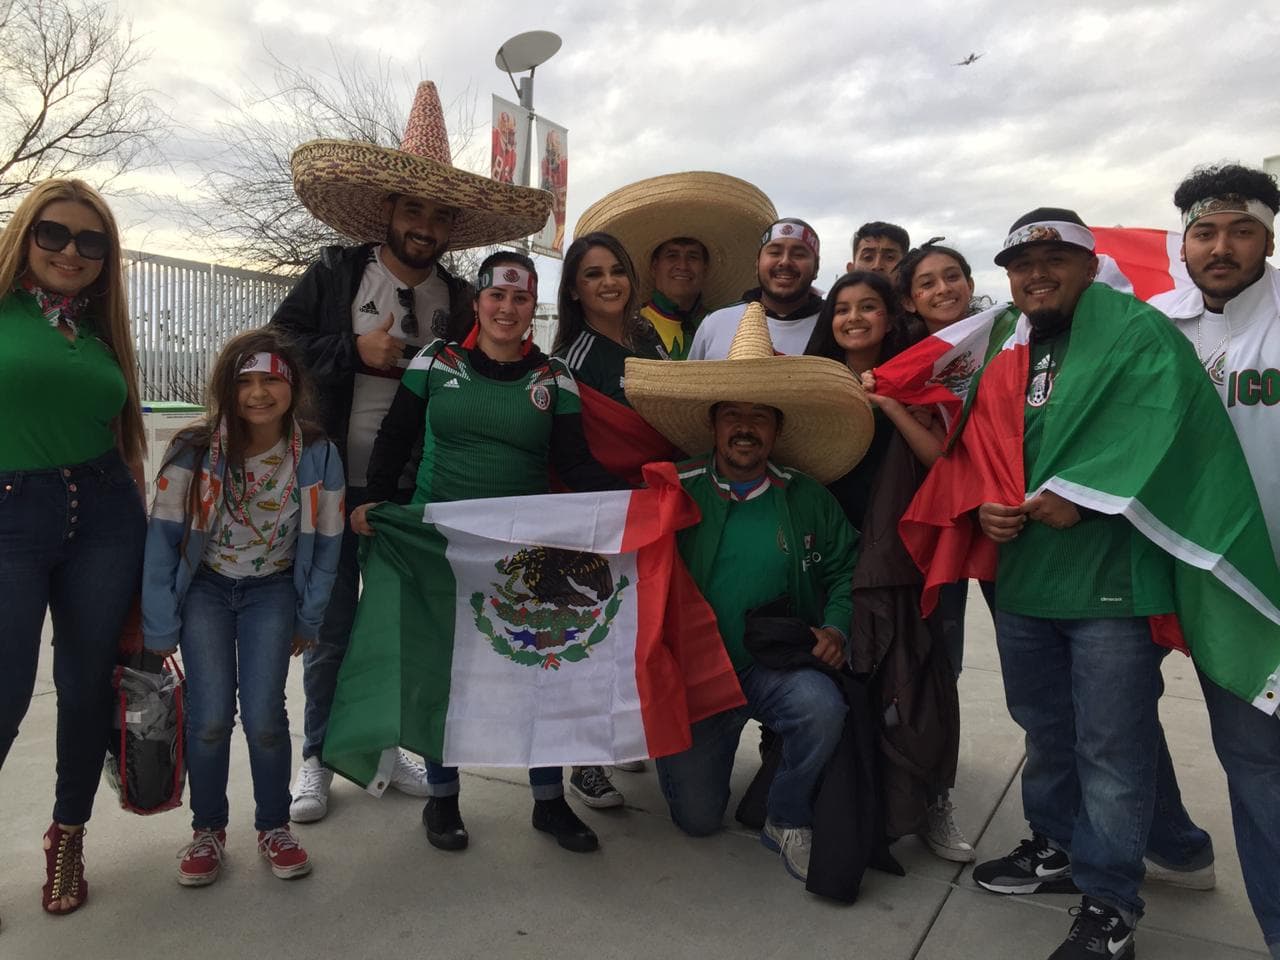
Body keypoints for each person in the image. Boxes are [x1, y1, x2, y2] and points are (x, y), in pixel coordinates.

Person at [887, 207, 1267, 960]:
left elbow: (1169, 426)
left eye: (1054, 260)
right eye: (1022, 266)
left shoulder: (1139, 332)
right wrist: (984, 503)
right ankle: (1056, 845)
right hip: (1027, 579)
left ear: (1090, 267)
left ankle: (1111, 902)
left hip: (1112, 585)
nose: (1036, 275)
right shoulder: (1005, 340)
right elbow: (980, 443)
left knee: (1111, 748)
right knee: (1045, 726)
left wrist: (1088, 497)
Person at [274, 80, 552, 822]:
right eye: (413, 210)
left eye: (439, 214)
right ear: (388, 211)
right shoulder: (337, 274)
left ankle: (385, 744)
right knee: (332, 626)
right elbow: (275, 348)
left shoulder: (459, 301)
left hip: (412, 489)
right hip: (333, 479)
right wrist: (350, 349)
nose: (425, 226)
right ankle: (317, 757)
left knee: (403, 627)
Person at [353, 252, 624, 853]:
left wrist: (634, 505)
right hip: (440, 547)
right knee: (442, 675)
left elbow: (575, 464)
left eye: (521, 298)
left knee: (538, 673)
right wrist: (373, 501)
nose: (507, 308)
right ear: (476, 303)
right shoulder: (435, 360)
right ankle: (444, 799)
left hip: (526, 551)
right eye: (496, 296)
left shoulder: (554, 377)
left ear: (533, 307)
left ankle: (549, 803)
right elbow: (394, 439)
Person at [625, 302, 874, 883]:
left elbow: (847, 568)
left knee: (822, 708)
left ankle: (786, 815)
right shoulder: (672, 490)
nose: (745, 427)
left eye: (759, 416)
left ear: (776, 429)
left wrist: (836, 626)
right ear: (713, 424)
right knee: (697, 820)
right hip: (696, 677)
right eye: (732, 414)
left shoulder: (807, 496)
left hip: (772, 665)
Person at [141, 328, 343, 887]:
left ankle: (274, 826)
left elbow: (328, 544)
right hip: (206, 591)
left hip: (271, 593)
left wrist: (309, 616)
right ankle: (208, 829)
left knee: (265, 718)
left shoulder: (318, 454)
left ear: (293, 386)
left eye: (271, 380)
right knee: (208, 719)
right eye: (244, 381)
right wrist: (159, 622)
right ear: (226, 389)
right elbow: (162, 540)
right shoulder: (193, 450)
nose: (258, 393)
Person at [0, 178, 147, 919]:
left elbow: (126, 440)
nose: (71, 251)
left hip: (106, 516)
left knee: (88, 687)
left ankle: (69, 835)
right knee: (5, 689)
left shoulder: (97, 330)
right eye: (53, 233)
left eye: (91, 241)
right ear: (25, 236)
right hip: (11, 514)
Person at [1151, 163, 1280, 960]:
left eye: (1241, 231)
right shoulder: (1154, 328)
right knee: (1253, 767)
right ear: (1184, 244)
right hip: (1191, 579)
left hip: (1266, 584)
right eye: (1205, 232)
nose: (1221, 247)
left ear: (1268, 239)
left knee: (1261, 767)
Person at [550, 230, 673, 805]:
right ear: (574, 290)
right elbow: (573, 449)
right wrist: (625, 493)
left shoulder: (649, 339)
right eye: (593, 274)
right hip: (600, 510)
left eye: (616, 270)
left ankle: (621, 733)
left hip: (652, 503)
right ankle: (584, 761)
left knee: (637, 630)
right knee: (593, 632)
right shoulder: (572, 358)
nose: (608, 283)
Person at [574, 171, 777, 359]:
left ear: (705, 267)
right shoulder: (625, 329)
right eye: (672, 255)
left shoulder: (726, 327)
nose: (683, 265)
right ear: (654, 266)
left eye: (693, 256)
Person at [688, 218, 825, 359]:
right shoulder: (716, 323)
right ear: (757, 263)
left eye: (799, 255)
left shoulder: (833, 326)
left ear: (816, 268)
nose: (785, 262)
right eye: (775, 252)